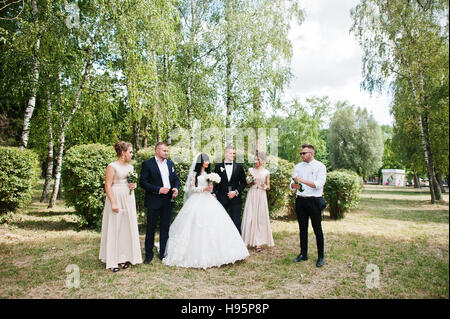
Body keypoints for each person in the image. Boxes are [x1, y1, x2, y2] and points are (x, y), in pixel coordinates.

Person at [163, 153, 249, 269]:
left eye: (208, 160)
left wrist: (211, 191)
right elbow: (191, 188)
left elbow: (212, 188)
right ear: (201, 161)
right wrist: (205, 189)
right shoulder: (195, 174)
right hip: (196, 201)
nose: (208, 162)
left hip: (209, 200)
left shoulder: (209, 174)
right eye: (206, 160)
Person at [99, 141, 143, 272]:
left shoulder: (130, 168)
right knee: (115, 227)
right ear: (123, 153)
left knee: (125, 227)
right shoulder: (112, 166)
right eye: (130, 152)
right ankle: (112, 261)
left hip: (128, 198)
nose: (132, 154)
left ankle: (123, 257)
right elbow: (107, 185)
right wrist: (113, 202)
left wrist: (133, 186)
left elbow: (131, 183)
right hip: (116, 197)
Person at [140, 142, 180, 263]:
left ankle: (163, 253)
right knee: (151, 228)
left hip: (168, 200)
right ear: (157, 151)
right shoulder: (148, 164)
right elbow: (143, 182)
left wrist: (176, 188)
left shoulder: (170, 164)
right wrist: (158, 190)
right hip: (154, 200)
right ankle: (148, 254)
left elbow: (176, 180)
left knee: (165, 228)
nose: (166, 153)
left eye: (167, 151)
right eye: (164, 151)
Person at [290, 144, 327, 268]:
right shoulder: (298, 167)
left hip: (314, 201)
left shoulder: (320, 166)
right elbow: (293, 183)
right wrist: (294, 185)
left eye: (304, 153)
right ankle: (303, 254)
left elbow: (319, 184)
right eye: (301, 153)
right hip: (301, 201)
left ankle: (320, 257)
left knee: (317, 229)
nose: (302, 155)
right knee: (302, 229)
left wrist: (302, 180)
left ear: (311, 153)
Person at [241, 151, 274, 252]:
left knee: (259, 218)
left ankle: (258, 242)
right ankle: (246, 241)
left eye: (257, 159)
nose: (255, 161)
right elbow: (247, 184)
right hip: (252, 194)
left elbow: (269, 187)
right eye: (254, 159)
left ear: (262, 161)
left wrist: (265, 186)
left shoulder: (266, 172)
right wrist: (249, 182)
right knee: (250, 216)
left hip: (261, 195)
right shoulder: (250, 170)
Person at [213, 145, 247, 233]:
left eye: (234, 153)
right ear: (225, 153)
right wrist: (213, 193)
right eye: (230, 153)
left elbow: (243, 183)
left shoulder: (239, 167)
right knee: (220, 222)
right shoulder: (218, 167)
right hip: (221, 198)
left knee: (236, 222)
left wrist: (236, 192)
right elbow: (214, 183)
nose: (233, 155)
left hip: (235, 200)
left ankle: (237, 245)